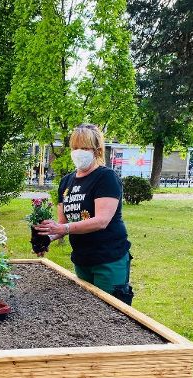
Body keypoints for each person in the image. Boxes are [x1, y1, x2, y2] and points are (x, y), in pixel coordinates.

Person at [35, 123, 134, 305]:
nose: (78, 152)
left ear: (96, 150)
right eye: (75, 147)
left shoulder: (106, 177)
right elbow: (62, 224)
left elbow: (101, 221)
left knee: (111, 311)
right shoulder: (66, 182)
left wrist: (63, 227)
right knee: (88, 309)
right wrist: (45, 238)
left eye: (84, 147)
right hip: (82, 259)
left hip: (108, 258)